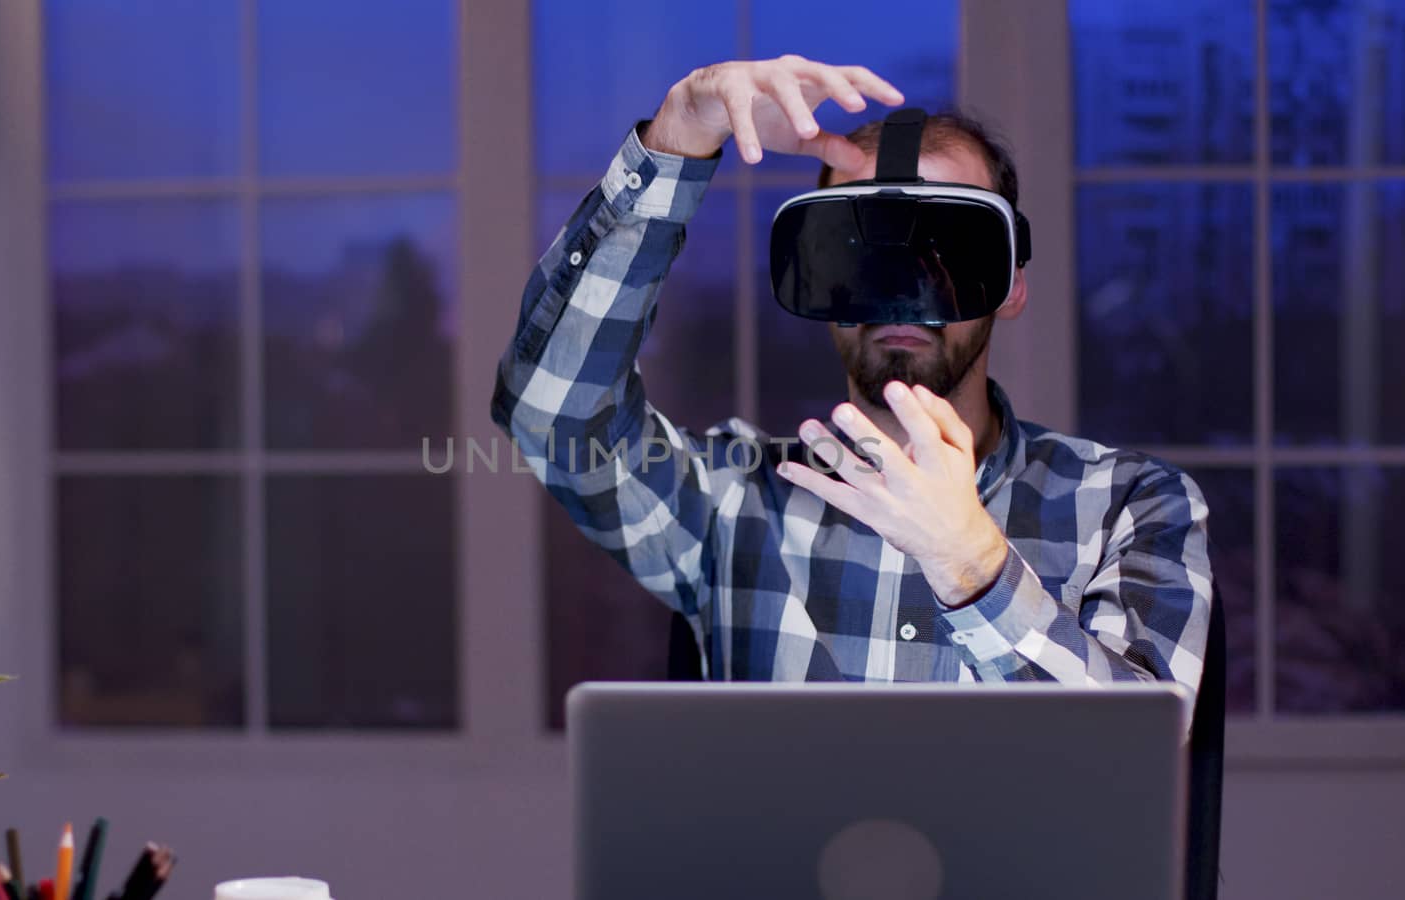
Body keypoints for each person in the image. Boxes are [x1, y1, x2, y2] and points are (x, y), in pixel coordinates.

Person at [491, 54, 1212, 709]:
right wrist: (677, 137)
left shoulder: (1126, 505)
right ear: (817, 272)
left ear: (1009, 282)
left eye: (945, 251)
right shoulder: (734, 502)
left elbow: (1141, 750)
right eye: (858, 251)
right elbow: (553, 413)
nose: (900, 288)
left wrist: (974, 567)